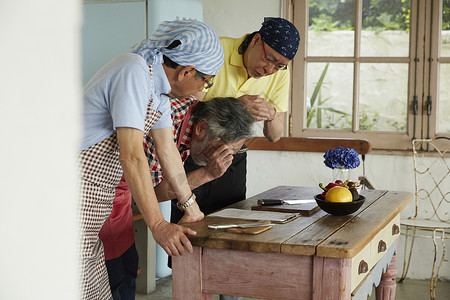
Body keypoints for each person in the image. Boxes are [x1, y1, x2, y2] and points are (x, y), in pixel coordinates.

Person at [78, 19, 223, 300]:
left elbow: (167, 149)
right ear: (187, 71)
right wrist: (158, 226)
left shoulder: (159, 95)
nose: (204, 89)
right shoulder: (133, 71)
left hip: (94, 203)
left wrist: (192, 208)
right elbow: (131, 154)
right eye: (206, 80)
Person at [170, 17, 300, 300]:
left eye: (280, 66)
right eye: (269, 60)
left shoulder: (278, 74)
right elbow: (182, 99)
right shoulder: (216, 50)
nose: (270, 70)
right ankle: (187, 290)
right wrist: (234, 105)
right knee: (188, 233)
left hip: (234, 158)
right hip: (194, 155)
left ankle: (231, 293)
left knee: (232, 231)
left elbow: (275, 136)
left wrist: (272, 114)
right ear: (255, 40)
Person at [99, 96, 254, 299]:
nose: (227, 156)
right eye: (223, 148)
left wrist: (207, 174)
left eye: (234, 151)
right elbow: (149, 192)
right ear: (202, 127)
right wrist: (161, 225)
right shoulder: (165, 122)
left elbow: (157, 188)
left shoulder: (188, 125)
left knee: (127, 272)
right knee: (113, 280)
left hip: (121, 205)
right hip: (100, 199)